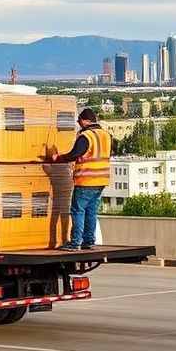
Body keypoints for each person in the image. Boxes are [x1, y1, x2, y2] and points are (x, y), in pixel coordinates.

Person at [51, 107, 112, 251]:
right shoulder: (106, 135)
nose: (79, 124)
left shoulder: (86, 136)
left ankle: (75, 242)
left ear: (85, 121)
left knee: (78, 210)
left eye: (79, 121)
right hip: (101, 180)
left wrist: (59, 158)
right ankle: (89, 241)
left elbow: (75, 154)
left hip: (86, 180)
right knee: (91, 211)